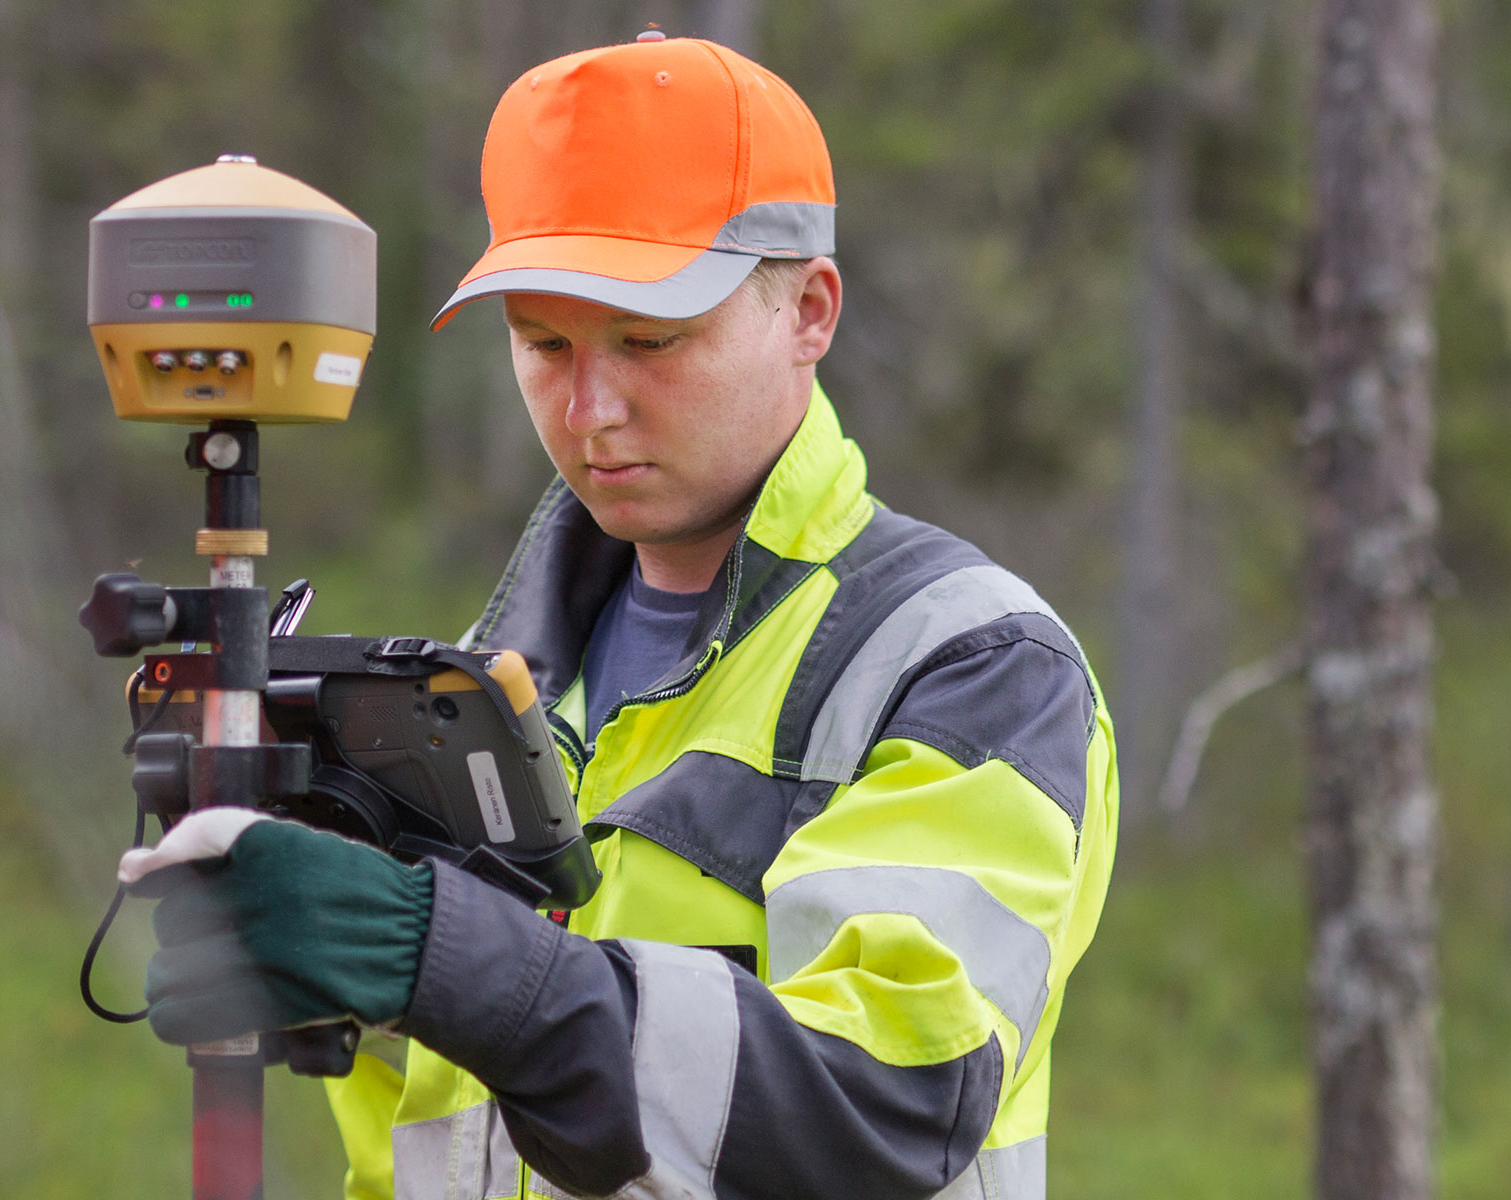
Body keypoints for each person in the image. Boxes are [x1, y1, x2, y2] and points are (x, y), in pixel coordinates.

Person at [122, 33, 1117, 1200]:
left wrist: (435, 951)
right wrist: (327, 973)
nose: (590, 407)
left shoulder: (971, 665)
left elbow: (885, 1108)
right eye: (544, 343)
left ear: (810, 310)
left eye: (651, 340)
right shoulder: (478, 702)